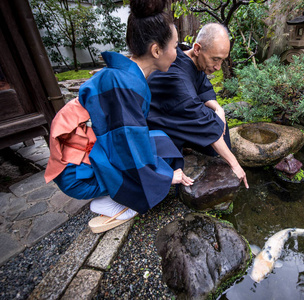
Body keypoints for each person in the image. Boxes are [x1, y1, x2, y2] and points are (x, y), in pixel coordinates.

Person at [44, 0, 193, 233]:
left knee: (162, 140)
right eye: (175, 46)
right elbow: (127, 153)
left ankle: (122, 189)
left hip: (90, 150)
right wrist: (164, 178)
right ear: (156, 50)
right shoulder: (125, 84)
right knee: (149, 187)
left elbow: (129, 137)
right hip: (77, 176)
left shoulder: (125, 75)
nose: (178, 53)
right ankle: (111, 201)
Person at [146, 23, 249, 189]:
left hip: (178, 114)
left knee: (219, 134)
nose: (217, 67)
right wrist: (235, 165)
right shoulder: (176, 77)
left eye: (222, 60)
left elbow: (203, 88)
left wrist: (218, 109)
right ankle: (178, 147)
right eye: (215, 59)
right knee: (216, 142)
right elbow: (201, 117)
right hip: (156, 123)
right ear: (197, 48)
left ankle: (187, 142)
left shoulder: (190, 59)